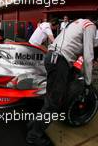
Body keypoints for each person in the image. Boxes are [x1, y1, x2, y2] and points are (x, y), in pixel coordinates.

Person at [26, 18, 97, 146]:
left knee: (50, 98)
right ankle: (34, 136)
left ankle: (33, 124)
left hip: (51, 57)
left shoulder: (77, 22)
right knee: (53, 103)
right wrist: (88, 83)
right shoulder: (90, 26)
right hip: (60, 61)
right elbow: (88, 57)